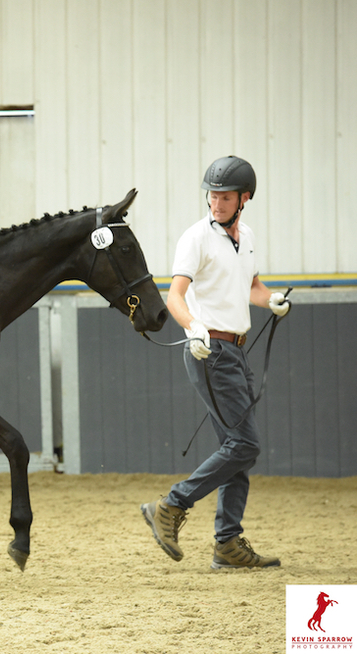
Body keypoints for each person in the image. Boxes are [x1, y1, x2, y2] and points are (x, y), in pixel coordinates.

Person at [141, 155, 290, 569]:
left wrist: (271, 299)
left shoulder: (248, 237)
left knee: (236, 449)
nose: (216, 203)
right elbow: (174, 295)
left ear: (244, 198)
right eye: (212, 195)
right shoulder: (196, 238)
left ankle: (227, 544)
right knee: (245, 445)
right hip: (209, 351)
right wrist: (193, 327)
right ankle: (170, 505)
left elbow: (252, 285)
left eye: (225, 197)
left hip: (236, 350)